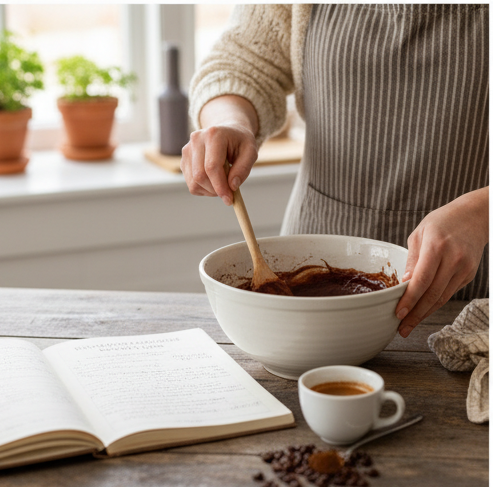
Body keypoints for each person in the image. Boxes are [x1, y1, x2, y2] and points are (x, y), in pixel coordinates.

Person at [181, 4, 488, 338]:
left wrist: (481, 211)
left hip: (468, 295)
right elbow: (241, 63)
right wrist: (230, 122)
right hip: (306, 289)